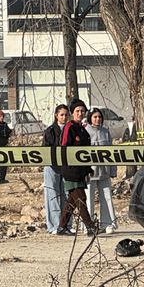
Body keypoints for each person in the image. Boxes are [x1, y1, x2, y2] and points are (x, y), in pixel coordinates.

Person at [58, 99, 96, 235]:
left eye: (82, 111)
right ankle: (90, 227)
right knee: (81, 199)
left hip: (81, 171)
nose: (80, 113)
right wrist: (68, 167)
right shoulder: (69, 127)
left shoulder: (83, 130)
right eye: (77, 111)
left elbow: (85, 153)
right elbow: (64, 148)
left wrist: (88, 169)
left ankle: (62, 227)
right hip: (71, 170)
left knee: (72, 201)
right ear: (72, 113)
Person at [85, 108, 118, 234]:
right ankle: (88, 225)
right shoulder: (86, 131)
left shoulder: (105, 132)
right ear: (90, 118)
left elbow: (112, 151)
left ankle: (108, 223)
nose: (97, 119)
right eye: (95, 117)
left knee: (107, 198)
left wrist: (113, 169)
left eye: (99, 117)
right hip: (90, 173)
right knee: (89, 200)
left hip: (104, 172)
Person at [41, 104, 69, 234]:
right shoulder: (50, 130)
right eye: (61, 114)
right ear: (56, 116)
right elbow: (45, 149)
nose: (64, 117)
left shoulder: (71, 129)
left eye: (66, 115)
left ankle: (66, 225)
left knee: (67, 196)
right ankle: (54, 226)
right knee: (52, 196)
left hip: (67, 167)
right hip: (52, 167)